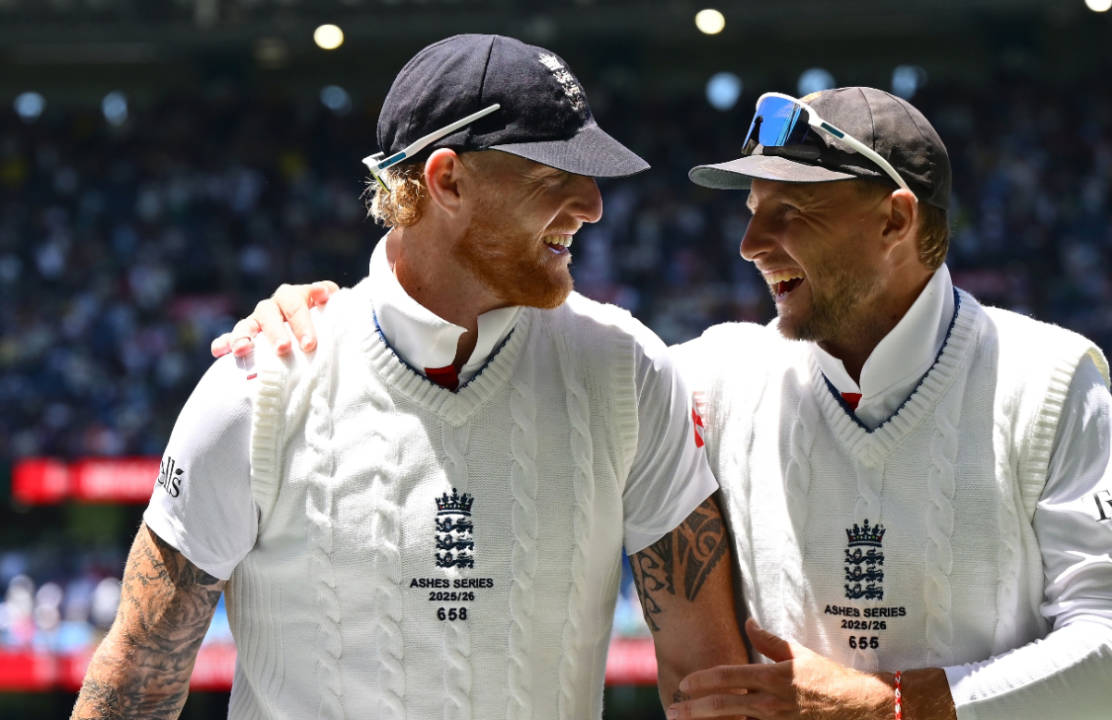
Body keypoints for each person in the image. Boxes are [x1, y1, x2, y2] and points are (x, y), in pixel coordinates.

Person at [219, 87, 1112, 720]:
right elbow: (500, 345)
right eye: (749, 208)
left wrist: (896, 707)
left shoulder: (1051, 378)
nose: (752, 242)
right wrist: (342, 310)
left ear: (895, 218)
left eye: (791, 210)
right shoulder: (706, 376)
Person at [72, 34, 746, 720]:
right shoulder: (259, 386)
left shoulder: (628, 369)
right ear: (447, 180)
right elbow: (136, 682)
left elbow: (710, 681)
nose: (594, 205)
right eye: (555, 177)